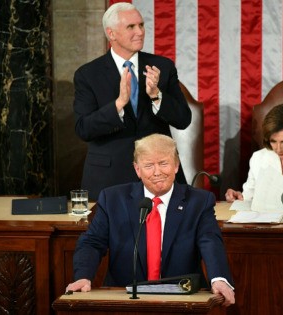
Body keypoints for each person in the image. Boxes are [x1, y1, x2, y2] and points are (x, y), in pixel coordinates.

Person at [66, 133, 235, 307]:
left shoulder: (199, 201)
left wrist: (219, 278)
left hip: (182, 300)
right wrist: (83, 277)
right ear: (137, 170)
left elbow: (210, 241)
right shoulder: (113, 199)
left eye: (163, 163)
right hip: (124, 299)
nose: (157, 172)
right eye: (148, 166)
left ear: (176, 165)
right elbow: (92, 242)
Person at [73, 2, 191, 200]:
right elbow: (83, 128)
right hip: (109, 179)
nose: (140, 32)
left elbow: (183, 119)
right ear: (111, 34)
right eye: (131, 27)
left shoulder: (162, 67)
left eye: (141, 25)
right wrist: (118, 104)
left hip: (159, 178)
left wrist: (156, 95)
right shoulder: (88, 74)